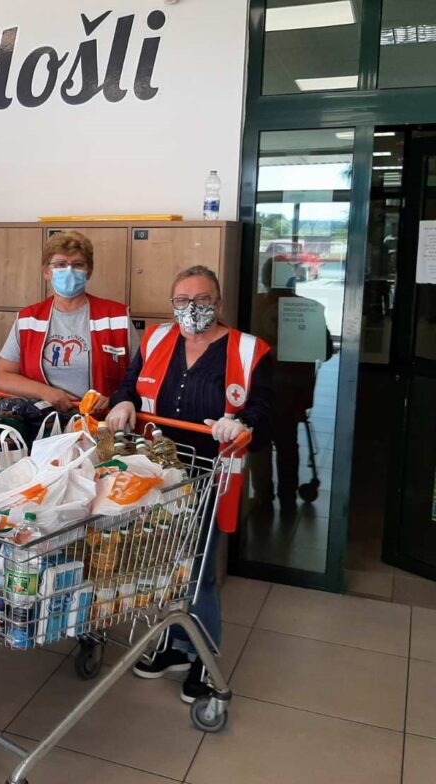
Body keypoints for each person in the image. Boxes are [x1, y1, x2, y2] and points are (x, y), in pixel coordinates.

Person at [105, 264, 273, 704]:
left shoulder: (249, 350)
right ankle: (175, 645)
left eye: (201, 300)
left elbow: (264, 408)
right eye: (182, 300)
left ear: (218, 303)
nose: (192, 308)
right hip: (155, 474)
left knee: (198, 570)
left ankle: (204, 655)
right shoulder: (157, 340)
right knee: (163, 561)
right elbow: (129, 385)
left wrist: (240, 423)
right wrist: (122, 403)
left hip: (210, 474)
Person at [0, 231, 135, 412]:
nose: (69, 271)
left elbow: (142, 376)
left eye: (78, 264)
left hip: (102, 421)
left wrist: (116, 399)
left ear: (89, 272)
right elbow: (3, 376)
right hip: (42, 419)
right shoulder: (29, 319)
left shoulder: (117, 317)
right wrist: (45, 392)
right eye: (60, 264)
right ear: (47, 272)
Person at [250, 259, 333, 516]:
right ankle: (288, 499)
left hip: (261, 389)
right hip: (294, 390)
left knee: (260, 445)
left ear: (265, 279)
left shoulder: (252, 305)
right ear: (292, 280)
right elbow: (326, 351)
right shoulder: (308, 308)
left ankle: (264, 499)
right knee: (288, 444)